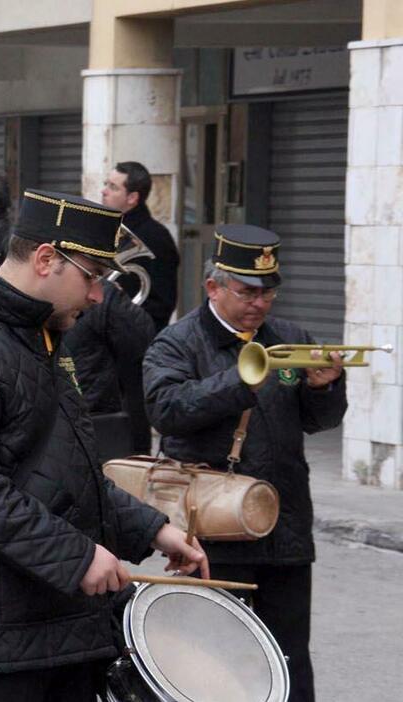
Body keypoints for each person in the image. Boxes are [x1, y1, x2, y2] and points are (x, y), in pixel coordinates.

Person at [0, 189, 209, 702]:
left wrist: (154, 529)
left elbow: (65, 473)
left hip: (60, 624)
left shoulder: (36, 334)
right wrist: (77, 556)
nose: (94, 296)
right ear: (46, 259)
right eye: (90, 277)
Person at [143, 224, 346, 702]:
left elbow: (321, 423)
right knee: (208, 659)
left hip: (285, 529)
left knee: (289, 657)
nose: (260, 303)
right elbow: (167, 409)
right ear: (213, 287)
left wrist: (325, 387)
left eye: (268, 292)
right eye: (247, 291)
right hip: (212, 533)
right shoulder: (176, 343)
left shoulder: (290, 337)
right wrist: (241, 381)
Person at [63, 278, 157, 460]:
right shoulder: (104, 295)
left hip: (94, 424)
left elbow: (142, 343)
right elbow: (143, 337)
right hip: (94, 422)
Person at [100, 161, 180, 330]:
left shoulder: (157, 237)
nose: (104, 191)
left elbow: (161, 304)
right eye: (106, 184)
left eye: (113, 187)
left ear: (132, 198)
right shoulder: (107, 228)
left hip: (129, 336)